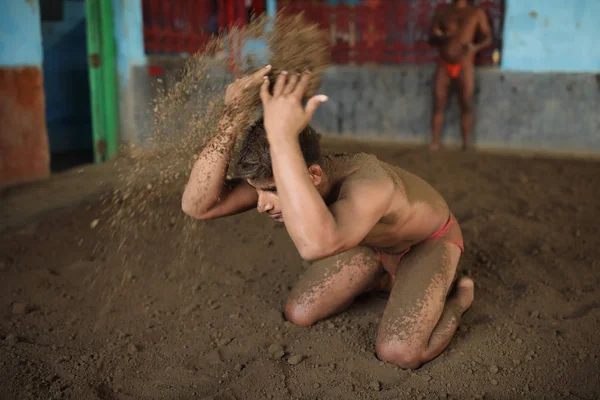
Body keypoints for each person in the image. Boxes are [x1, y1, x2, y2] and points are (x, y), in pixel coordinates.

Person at [182, 65, 474, 369]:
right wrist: (231, 118)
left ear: (313, 174)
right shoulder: (278, 179)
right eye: (258, 192)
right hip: (364, 242)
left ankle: (458, 301)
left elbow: (315, 246)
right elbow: (198, 206)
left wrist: (282, 135)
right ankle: (385, 277)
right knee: (300, 312)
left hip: (425, 244)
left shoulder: (371, 183)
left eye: (271, 191)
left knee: (399, 353)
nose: (262, 205)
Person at [428, 0, 492, 151]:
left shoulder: (476, 13)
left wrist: (475, 48)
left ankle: (466, 144)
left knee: (466, 102)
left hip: (465, 63)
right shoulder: (443, 12)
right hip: (444, 63)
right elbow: (431, 39)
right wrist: (442, 36)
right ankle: (435, 142)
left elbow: (487, 38)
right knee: (438, 101)